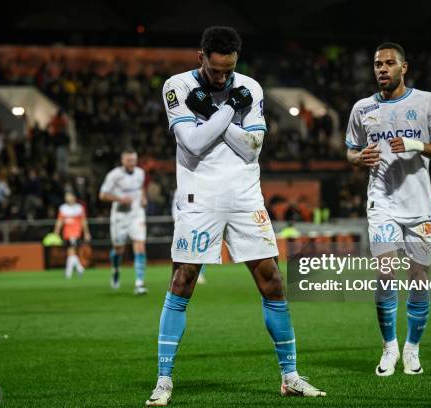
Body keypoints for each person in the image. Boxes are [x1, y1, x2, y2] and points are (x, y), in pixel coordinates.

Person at [146, 26, 325, 406]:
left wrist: (211, 110)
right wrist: (229, 110)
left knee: (273, 282)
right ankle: (164, 380)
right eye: (216, 71)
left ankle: (290, 376)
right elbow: (192, 143)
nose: (224, 77)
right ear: (201, 58)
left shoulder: (251, 87)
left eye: (229, 70)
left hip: (246, 198)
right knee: (182, 281)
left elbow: (251, 150)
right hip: (200, 198)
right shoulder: (176, 86)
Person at [346, 42, 431, 377]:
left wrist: (416, 144)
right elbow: (350, 151)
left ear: (403, 67)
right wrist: (358, 158)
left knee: (419, 276)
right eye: (378, 63)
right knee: (385, 270)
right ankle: (390, 347)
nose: (382, 69)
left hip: (419, 205)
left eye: (389, 63)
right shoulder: (362, 108)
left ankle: (412, 349)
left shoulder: (427, 102)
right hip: (382, 203)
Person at [99, 149, 148, 294]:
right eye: (128, 160)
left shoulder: (140, 172)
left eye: (133, 160)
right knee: (118, 249)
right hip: (119, 215)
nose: (132, 163)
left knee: (140, 246)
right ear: (123, 161)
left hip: (136, 213)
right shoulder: (114, 175)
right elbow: (102, 195)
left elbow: (140, 188)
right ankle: (115, 268)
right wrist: (120, 199)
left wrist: (144, 198)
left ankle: (139, 283)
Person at [53, 191, 91, 279]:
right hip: (66, 233)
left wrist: (86, 233)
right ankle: (79, 268)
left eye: (69, 196)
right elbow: (60, 221)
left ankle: (68, 273)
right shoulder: (63, 208)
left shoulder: (79, 208)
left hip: (76, 233)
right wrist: (56, 232)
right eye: (66, 196)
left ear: (74, 197)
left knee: (71, 252)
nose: (68, 198)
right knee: (71, 253)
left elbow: (84, 221)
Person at [172, 188, 206, 284]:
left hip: (198, 224)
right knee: (181, 251)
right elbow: (175, 207)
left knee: (199, 250)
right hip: (183, 224)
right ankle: (177, 274)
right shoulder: (179, 189)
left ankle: (200, 274)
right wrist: (178, 222)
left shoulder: (200, 188)